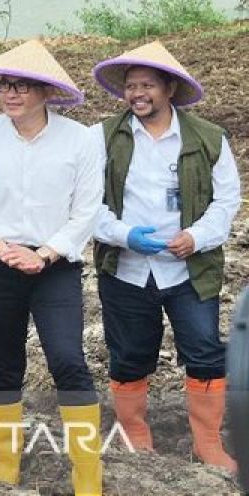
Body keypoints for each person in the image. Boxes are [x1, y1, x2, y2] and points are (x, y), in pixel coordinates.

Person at [0, 39, 104, 495]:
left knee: (68, 360)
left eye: (22, 86)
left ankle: (88, 476)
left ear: (47, 92)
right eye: (5, 85)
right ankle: (7, 463)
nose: (11, 94)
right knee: (3, 363)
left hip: (54, 267)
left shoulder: (80, 140)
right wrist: (2, 249)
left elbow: (86, 211)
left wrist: (45, 254)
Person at [90, 41, 240, 472]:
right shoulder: (102, 137)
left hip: (190, 270)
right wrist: (123, 236)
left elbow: (226, 201)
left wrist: (196, 237)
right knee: (129, 353)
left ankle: (207, 442)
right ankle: (135, 433)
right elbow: (85, 202)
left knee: (205, 350)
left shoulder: (208, 138)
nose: (137, 94)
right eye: (131, 86)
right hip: (127, 267)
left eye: (148, 85)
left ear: (170, 88)